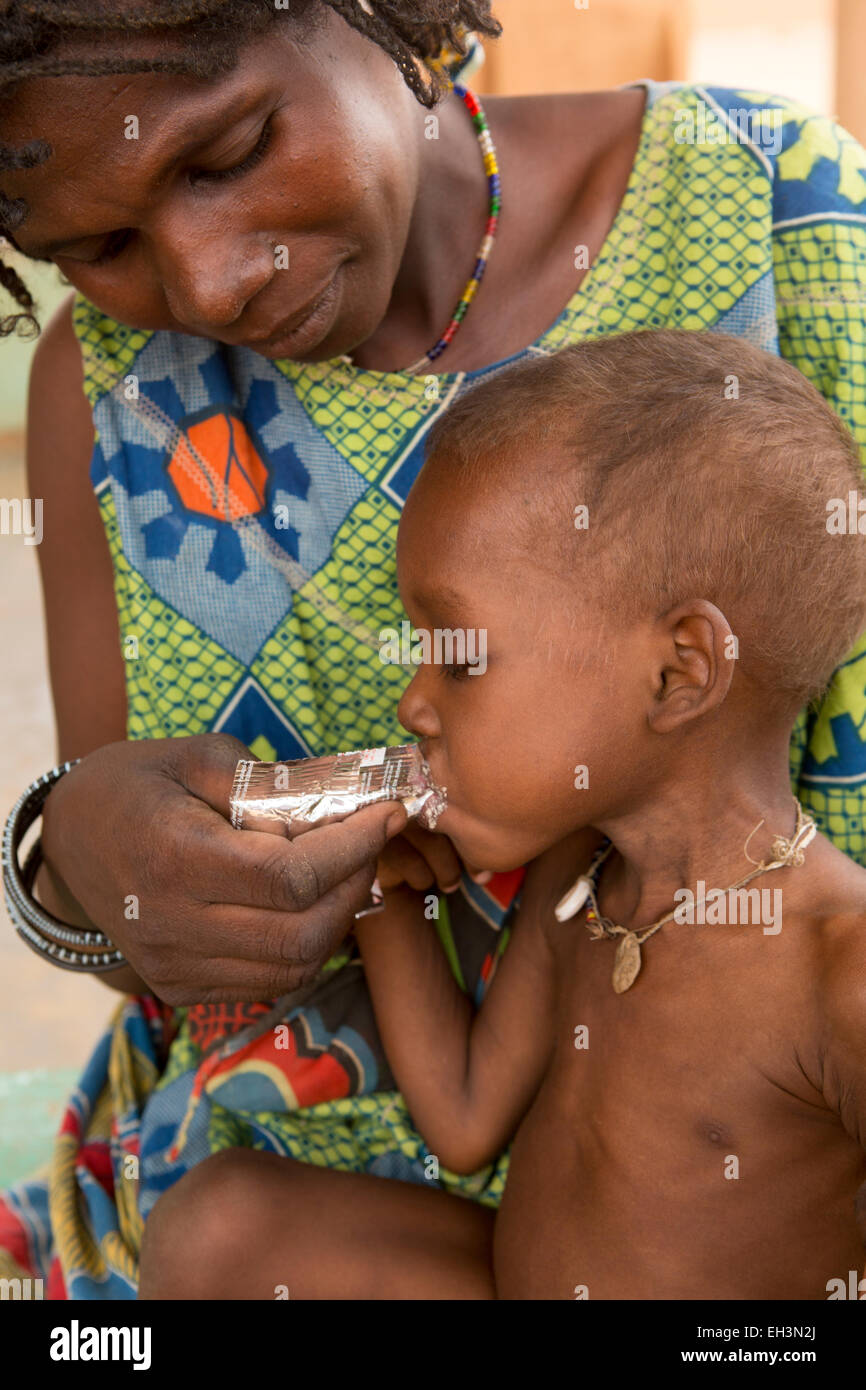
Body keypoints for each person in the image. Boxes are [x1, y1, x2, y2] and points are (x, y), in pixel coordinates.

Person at [0, 2, 865, 1299]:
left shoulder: (783, 219)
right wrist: (71, 855)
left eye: (228, 151)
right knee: (224, 1229)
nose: (207, 282)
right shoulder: (108, 392)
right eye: (100, 245)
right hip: (368, 1218)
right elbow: (445, 1097)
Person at [138, 331, 866, 1300]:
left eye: (462, 656)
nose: (411, 704)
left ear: (678, 670)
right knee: (222, 1224)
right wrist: (377, 895)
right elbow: (465, 1120)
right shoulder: (582, 883)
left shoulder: (838, 970)